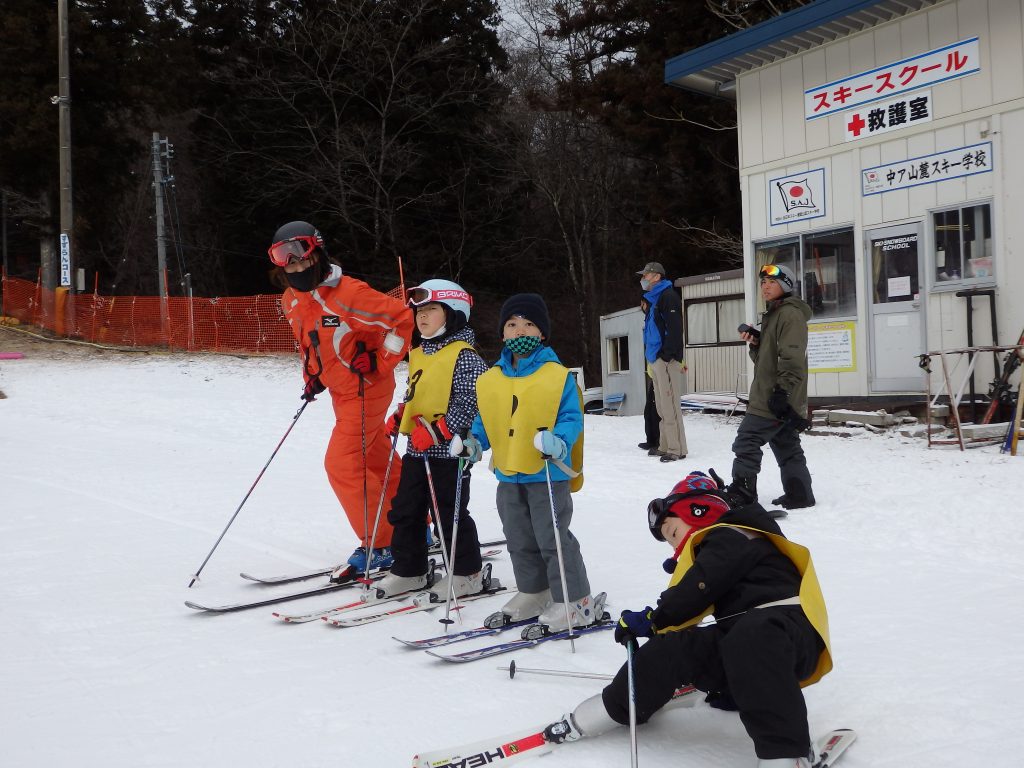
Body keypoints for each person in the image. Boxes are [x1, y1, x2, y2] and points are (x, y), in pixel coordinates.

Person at [541, 470, 832, 768]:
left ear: (698, 510)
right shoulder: (713, 549)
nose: (673, 545)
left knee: (750, 635)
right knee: (672, 648)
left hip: (790, 635)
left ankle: (788, 753)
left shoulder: (735, 533)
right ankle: (608, 710)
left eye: (673, 532)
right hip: (745, 643)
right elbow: (688, 610)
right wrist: (658, 630)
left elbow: (696, 590)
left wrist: (655, 618)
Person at [268, 221, 414, 580]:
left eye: (302, 261)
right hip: (341, 392)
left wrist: (381, 360)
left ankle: (381, 543)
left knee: (344, 462)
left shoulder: (350, 294)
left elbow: (403, 320)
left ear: (318, 254)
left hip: (367, 388)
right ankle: (416, 524)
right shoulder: (291, 300)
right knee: (374, 455)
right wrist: (313, 377)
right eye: (287, 263)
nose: (296, 269)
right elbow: (309, 342)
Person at [454, 293, 597, 632]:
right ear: (502, 334)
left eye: (528, 324)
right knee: (517, 537)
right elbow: (485, 422)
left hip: (547, 471)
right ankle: (534, 590)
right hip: (508, 471)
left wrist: (558, 441)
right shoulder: (490, 379)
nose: (520, 331)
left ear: (542, 333)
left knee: (552, 537)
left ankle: (574, 598)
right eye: (512, 325)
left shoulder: (556, 375)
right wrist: (473, 445)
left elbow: (571, 417)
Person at [373, 279, 490, 599]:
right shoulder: (419, 353)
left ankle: (467, 574)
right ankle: (410, 569)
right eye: (419, 311)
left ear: (453, 313)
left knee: (448, 515)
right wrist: (401, 414)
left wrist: (440, 431)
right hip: (416, 451)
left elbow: (471, 402)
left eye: (431, 310)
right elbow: (416, 395)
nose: (421, 317)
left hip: (450, 453)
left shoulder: (465, 356)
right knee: (406, 510)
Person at [728, 264, 815, 509]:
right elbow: (765, 361)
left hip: (773, 396)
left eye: (771, 282)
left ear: (785, 285)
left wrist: (782, 392)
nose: (765, 286)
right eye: (763, 282)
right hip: (776, 393)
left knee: (747, 440)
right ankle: (800, 495)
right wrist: (756, 342)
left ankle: (743, 494)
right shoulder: (774, 314)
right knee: (785, 444)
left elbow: (792, 358)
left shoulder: (790, 315)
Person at [638, 261, 688, 462]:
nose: (643, 279)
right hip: (656, 359)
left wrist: (667, 355)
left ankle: (677, 449)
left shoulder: (668, 296)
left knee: (670, 405)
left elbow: (675, 329)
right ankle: (665, 444)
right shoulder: (654, 299)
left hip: (666, 359)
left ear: (656, 276)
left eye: (646, 275)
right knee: (660, 406)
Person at [637, 298, 660, 454]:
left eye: (643, 303)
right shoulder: (647, 319)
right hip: (653, 373)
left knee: (656, 411)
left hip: (660, 371)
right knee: (648, 410)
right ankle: (651, 440)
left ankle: (658, 441)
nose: (641, 306)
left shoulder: (655, 317)